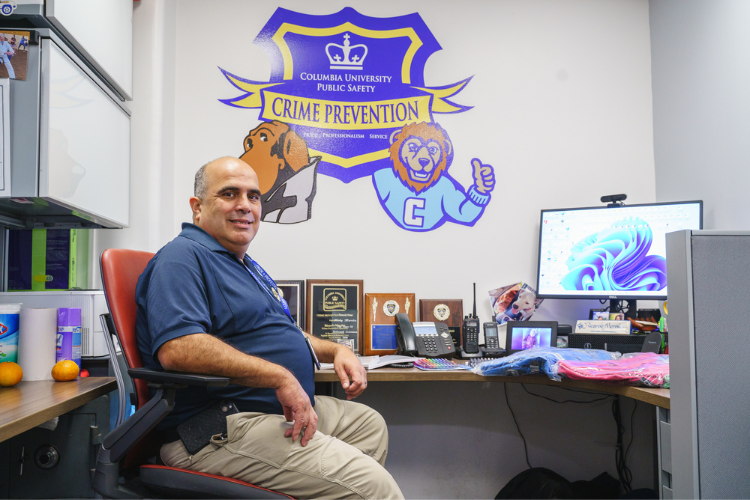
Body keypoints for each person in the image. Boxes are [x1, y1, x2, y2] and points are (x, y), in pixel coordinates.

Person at [135, 156, 403, 500]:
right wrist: (279, 376)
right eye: (229, 194)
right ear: (197, 208)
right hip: (218, 427)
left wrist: (335, 349)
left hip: (267, 412)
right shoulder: (181, 258)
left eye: (254, 196)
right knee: (374, 488)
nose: (245, 206)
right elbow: (179, 348)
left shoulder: (242, 265)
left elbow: (283, 331)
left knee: (368, 426)